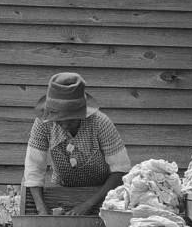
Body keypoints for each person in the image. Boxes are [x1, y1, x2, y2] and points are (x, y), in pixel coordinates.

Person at [22, 72, 131, 215]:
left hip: (102, 192)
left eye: (71, 120)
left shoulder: (100, 123)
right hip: (62, 189)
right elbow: (34, 168)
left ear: (82, 113)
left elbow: (121, 170)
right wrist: (41, 208)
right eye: (59, 120)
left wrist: (89, 204)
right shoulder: (43, 123)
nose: (65, 125)